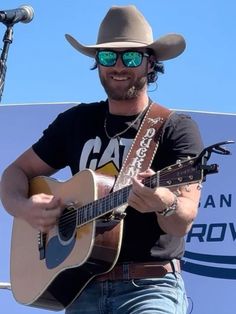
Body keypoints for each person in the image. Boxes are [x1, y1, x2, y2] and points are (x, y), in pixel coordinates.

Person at [0, 5, 204, 314]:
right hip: (81, 286)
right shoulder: (76, 122)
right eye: (108, 57)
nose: (118, 66)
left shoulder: (174, 127)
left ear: (151, 64)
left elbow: (181, 221)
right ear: (97, 63)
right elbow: (15, 173)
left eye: (131, 57)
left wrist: (164, 201)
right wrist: (25, 207)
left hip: (149, 287)